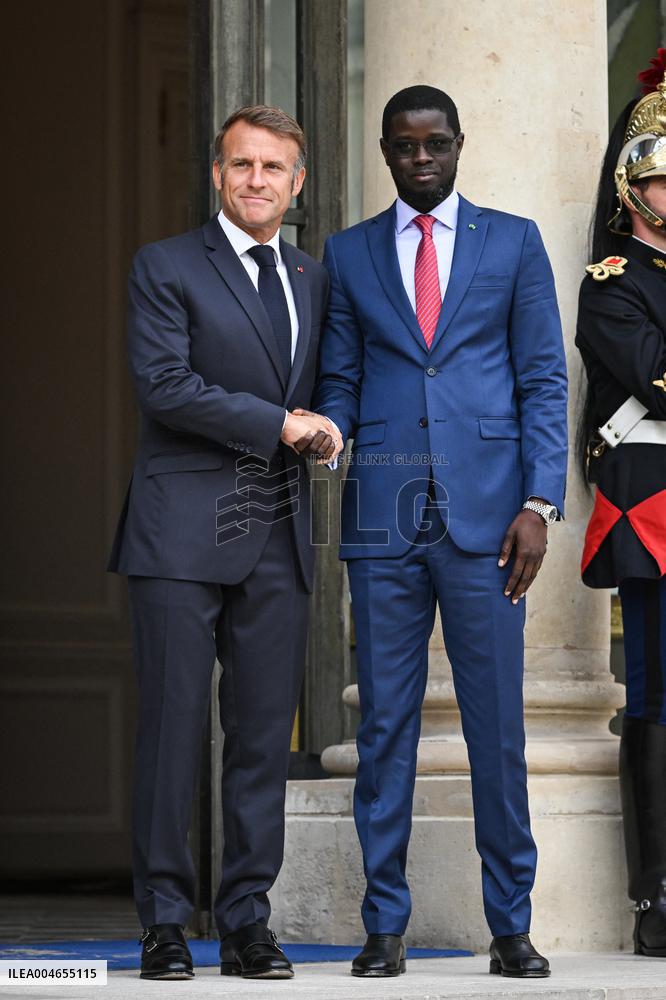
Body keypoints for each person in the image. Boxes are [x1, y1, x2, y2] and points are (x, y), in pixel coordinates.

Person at [312, 85, 567, 979]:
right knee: (385, 726)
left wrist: (539, 504)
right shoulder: (348, 254)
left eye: (435, 144)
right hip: (382, 519)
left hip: (494, 521)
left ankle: (512, 926)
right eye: (404, 146)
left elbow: (542, 379)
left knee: (496, 727)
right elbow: (341, 372)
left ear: (460, 145)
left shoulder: (514, 241)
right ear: (384, 151)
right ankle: (385, 925)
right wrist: (330, 431)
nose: (421, 159)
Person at [108, 104, 340, 981]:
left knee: (257, 743)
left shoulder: (313, 279)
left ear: (297, 183)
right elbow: (165, 385)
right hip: (176, 533)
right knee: (171, 737)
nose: (255, 181)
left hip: (276, 535)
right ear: (216, 174)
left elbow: (331, 387)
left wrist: (333, 427)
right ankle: (165, 924)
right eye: (240, 165)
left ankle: (248, 922)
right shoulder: (165, 266)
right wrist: (283, 425)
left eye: (272, 168)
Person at [576, 53, 666, 958]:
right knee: (659, 697)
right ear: (634, 188)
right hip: (655, 505)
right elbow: (654, 382)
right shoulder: (615, 282)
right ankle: (658, 896)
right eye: (663, 178)